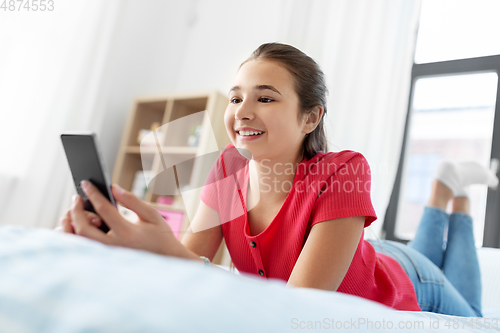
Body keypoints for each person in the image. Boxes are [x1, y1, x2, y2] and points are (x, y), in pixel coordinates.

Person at [58, 42, 497, 317]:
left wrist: (171, 255)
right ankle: (448, 191)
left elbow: (298, 308)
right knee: (424, 254)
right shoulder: (228, 168)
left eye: (265, 98)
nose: (242, 111)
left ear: (311, 117)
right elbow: (187, 262)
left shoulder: (344, 169)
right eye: (235, 98)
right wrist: (132, 243)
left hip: (402, 276)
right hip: (358, 251)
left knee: (472, 311)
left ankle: (448, 192)